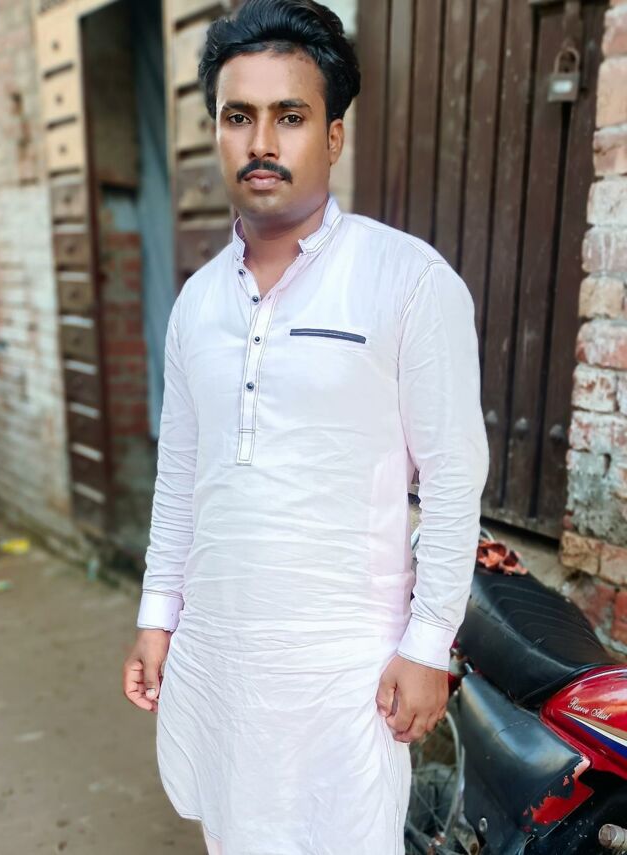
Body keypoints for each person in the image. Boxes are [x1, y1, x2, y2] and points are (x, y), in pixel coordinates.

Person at [122, 1, 489, 852]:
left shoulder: (407, 281)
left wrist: (428, 643)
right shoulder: (197, 302)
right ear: (217, 132)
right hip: (220, 656)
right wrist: (157, 614)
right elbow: (182, 476)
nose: (261, 142)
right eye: (238, 117)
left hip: (344, 670)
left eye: (289, 117)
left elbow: (453, 477)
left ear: (333, 136)